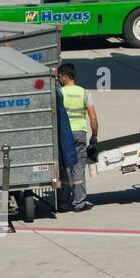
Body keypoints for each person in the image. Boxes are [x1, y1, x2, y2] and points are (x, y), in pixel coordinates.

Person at [57, 62, 96, 212]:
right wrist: (95, 135)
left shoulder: (59, 93)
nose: (59, 79)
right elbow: (93, 117)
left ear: (65, 77)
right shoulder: (84, 92)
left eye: (60, 77)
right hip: (80, 133)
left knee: (65, 167)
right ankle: (79, 203)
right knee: (78, 168)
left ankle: (63, 203)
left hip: (64, 134)